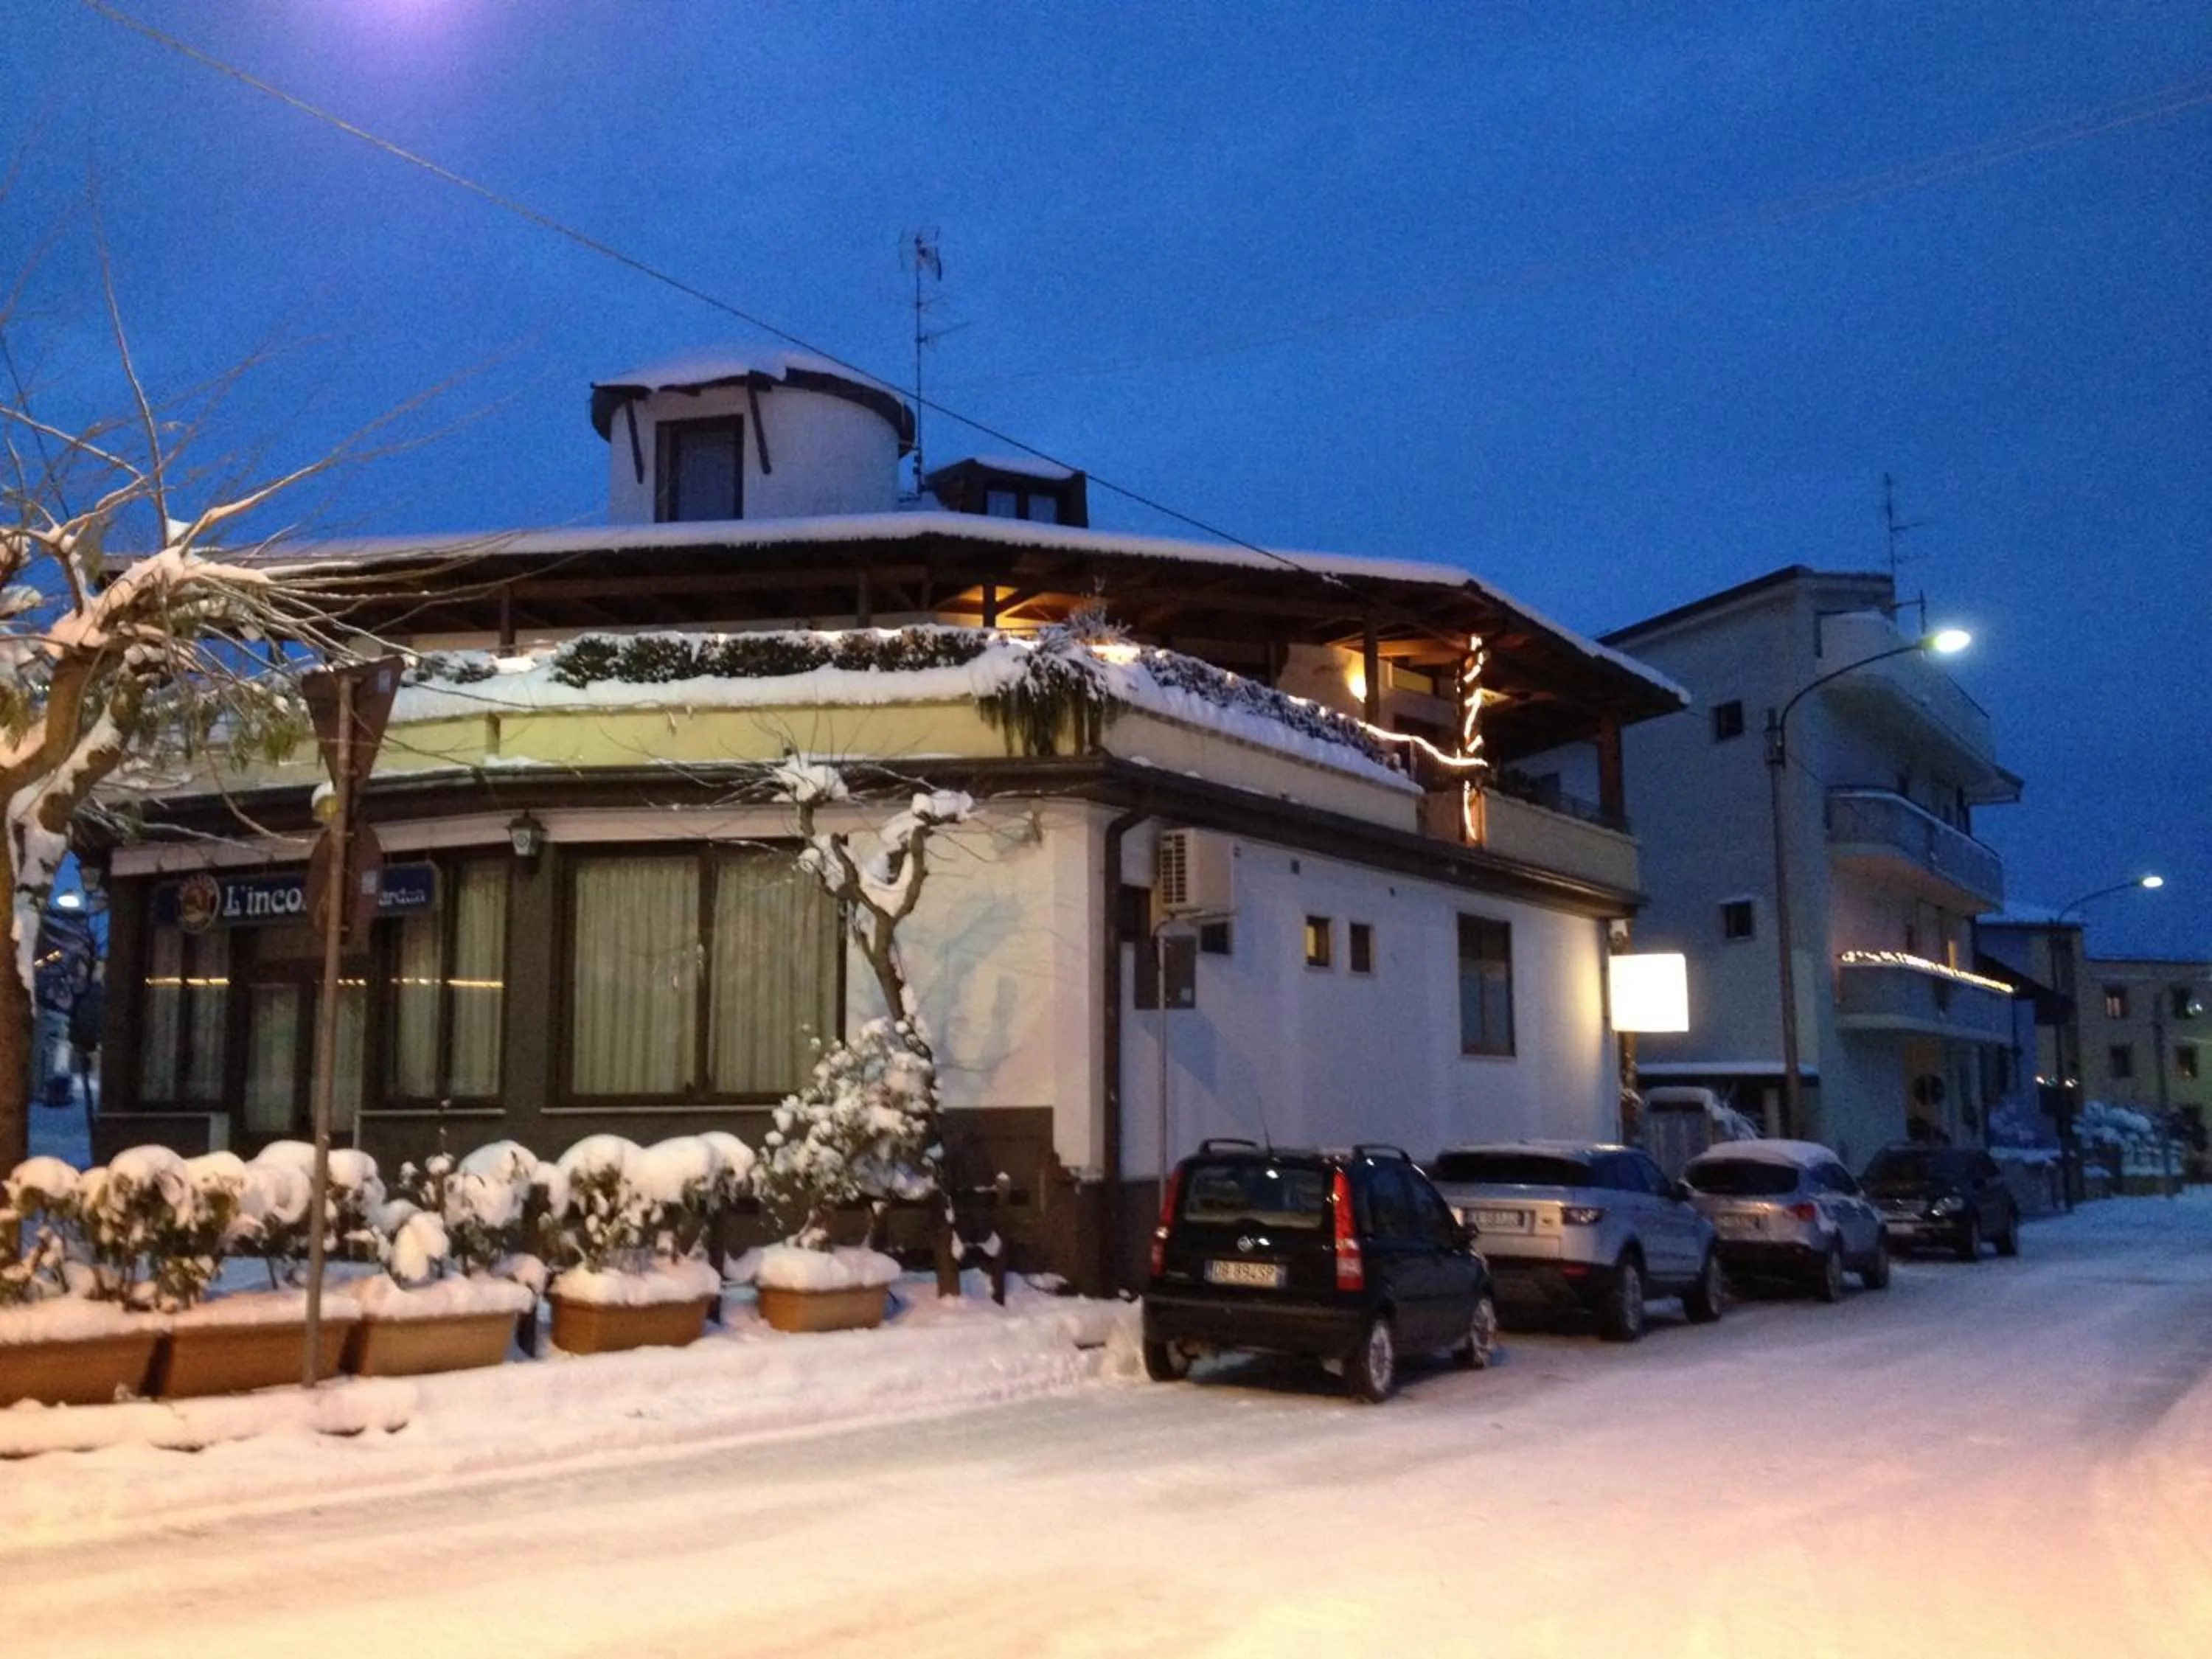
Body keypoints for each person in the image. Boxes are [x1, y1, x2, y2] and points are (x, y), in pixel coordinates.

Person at [67, 963, 105, 1112]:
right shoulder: (96, 991)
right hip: (88, 1035)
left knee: (86, 1077)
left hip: (84, 1036)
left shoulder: (83, 991)